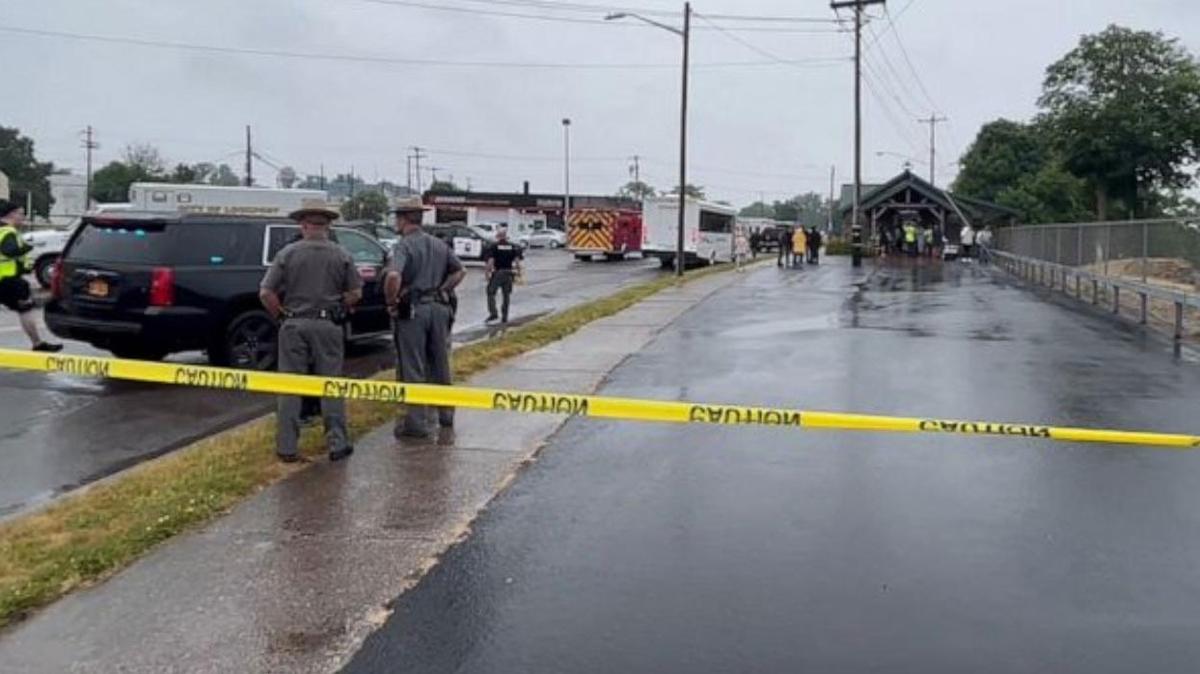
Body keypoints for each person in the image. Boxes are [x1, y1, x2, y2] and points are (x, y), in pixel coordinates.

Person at [259, 199, 362, 463]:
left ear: (303, 224)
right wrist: (341, 305)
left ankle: (287, 447)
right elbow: (355, 292)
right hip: (328, 325)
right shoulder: (341, 254)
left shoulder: (288, 253)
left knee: (291, 386)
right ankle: (337, 443)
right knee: (330, 385)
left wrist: (281, 315)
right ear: (327, 225)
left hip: (294, 324)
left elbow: (266, 292)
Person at [385, 198, 466, 440]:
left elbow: (392, 277)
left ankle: (416, 423)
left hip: (414, 310)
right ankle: (446, 414)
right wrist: (444, 288)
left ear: (403, 219)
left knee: (413, 365)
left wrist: (391, 302)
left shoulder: (404, 246)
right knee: (441, 362)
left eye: (396, 218)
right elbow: (459, 270)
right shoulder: (438, 244)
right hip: (439, 308)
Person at [0, 201, 61, 352]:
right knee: (25, 309)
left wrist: (26, 266)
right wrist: (27, 246)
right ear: (11, 214)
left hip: (7, 278)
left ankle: (38, 343)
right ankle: (37, 344)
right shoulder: (8, 232)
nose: (23, 217)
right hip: (8, 280)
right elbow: (9, 251)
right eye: (21, 213)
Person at [484, 227, 522, 324]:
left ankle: (494, 313)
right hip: (509, 272)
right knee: (506, 295)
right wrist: (519, 272)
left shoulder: (494, 246)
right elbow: (517, 261)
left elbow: (491, 261)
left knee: (490, 292)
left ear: (499, 236)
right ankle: (505, 317)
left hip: (499, 272)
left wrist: (487, 273)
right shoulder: (513, 246)